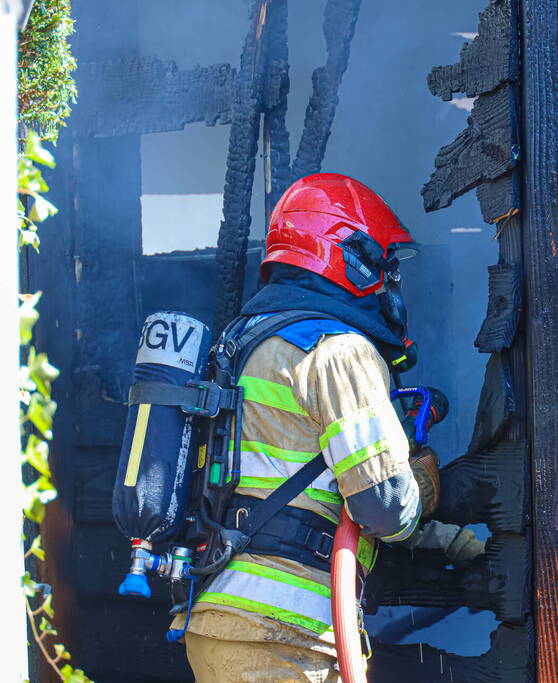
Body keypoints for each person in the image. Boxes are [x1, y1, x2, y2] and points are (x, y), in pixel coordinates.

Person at [176, 173, 441, 682]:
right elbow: (388, 509)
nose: (389, 286)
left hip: (213, 621)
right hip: (285, 635)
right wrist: (425, 481)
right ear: (354, 257)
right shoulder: (339, 351)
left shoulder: (244, 344)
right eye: (384, 269)